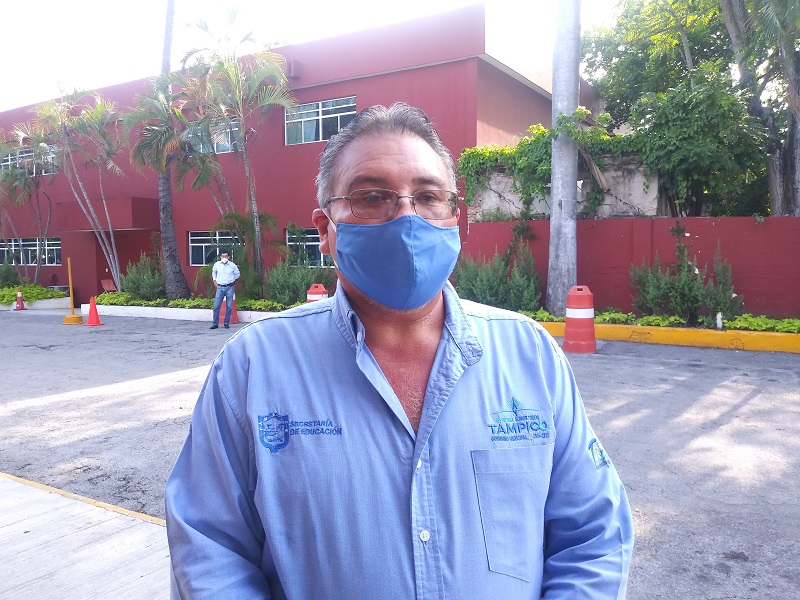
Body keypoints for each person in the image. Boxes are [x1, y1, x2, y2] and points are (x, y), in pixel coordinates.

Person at [166, 103, 634, 598]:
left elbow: (593, 537)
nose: (407, 217)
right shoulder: (253, 367)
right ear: (324, 229)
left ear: (454, 218)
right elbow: (209, 551)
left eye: (428, 196)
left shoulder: (529, 355)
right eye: (372, 197)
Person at [209, 249, 240, 330]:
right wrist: (214, 281)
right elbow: (214, 272)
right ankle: (215, 323)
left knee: (229, 306)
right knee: (216, 306)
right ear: (220, 257)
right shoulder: (217, 264)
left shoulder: (232, 265)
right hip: (220, 287)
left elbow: (237, 274)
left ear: (228, 257)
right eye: (222, 256)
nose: (224, 258)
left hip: (229, 287)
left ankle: (226, 323)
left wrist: (232, 280)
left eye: (226, 256)